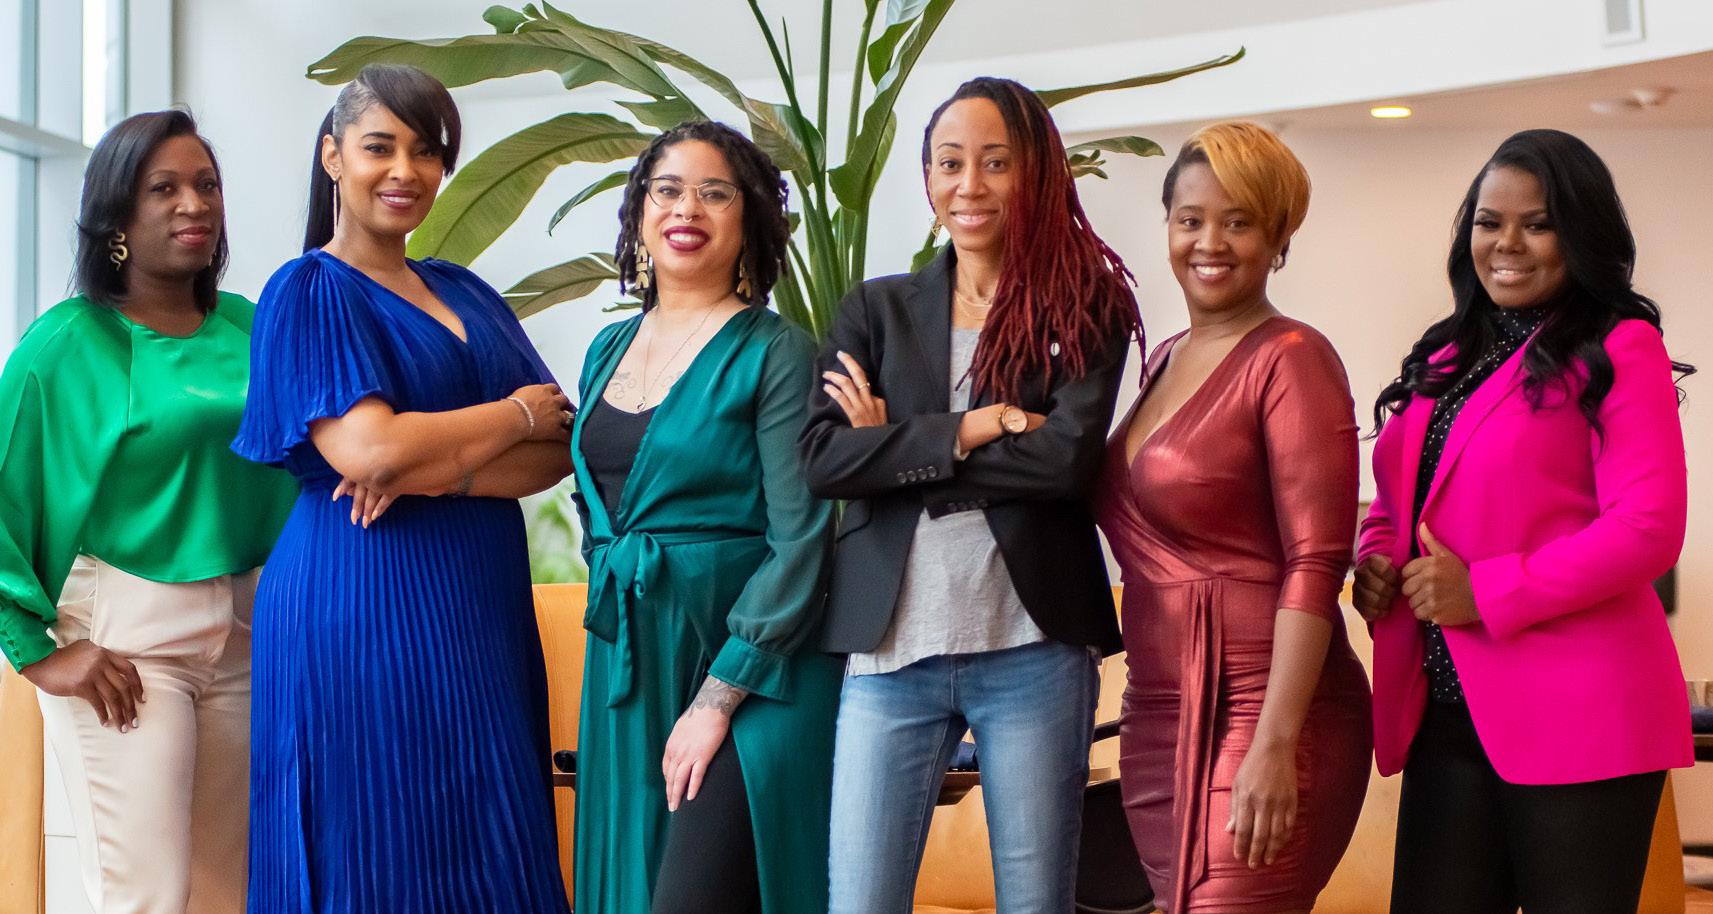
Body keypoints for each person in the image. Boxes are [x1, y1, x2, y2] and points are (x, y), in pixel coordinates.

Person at [232, 64, 574, 914]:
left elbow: (559, 449)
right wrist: (513, 415)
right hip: (356, 596)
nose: (405, 171)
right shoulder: (306, 290)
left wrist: (432, 471)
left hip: (479, 605)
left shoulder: (466, 290)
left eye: (426, 151)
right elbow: (368, 450)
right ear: (333, 157)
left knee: (492, 837)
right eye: (379, 147)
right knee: (367, 844)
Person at [800, 76, 1142, 914]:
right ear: (926, 178)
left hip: (1033, 649)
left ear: (1035, 173)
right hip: (890, 654)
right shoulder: (875, 310)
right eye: (949, 163)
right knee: (861, 902)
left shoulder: (1083, 304)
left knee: (1034, 901)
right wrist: (976, 426)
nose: (970, 185)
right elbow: (824, 459)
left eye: (995, 162)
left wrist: (898, 444)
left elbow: (1063, 465)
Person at [1356, 128, 1693, 914]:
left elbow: (1646, 528)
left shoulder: (1619, 347)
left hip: (1580, 711)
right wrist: (1376, 561)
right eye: (1488, 221)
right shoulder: (1445, 354)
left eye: (1536, 224)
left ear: (1579, 234)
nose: (1506, 244)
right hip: (1445, 710)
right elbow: (1398, 497)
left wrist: (1482, 591)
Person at [0, 109, 297, 914]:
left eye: (206, 184)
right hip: (128, 641)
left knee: (226, 894)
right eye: (163, 189)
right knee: (147, 897)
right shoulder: (67, 344)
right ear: (116, 219)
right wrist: (35, 653)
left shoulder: (253, 325)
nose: (193, 204)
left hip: (248, 634)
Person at [1093, 121, 1371, 914]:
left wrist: (1274, 742)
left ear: (1278, 237)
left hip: (1269, 709)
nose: (1208, 243)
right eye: (1190, 219)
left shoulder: (1293, 356)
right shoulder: (1162, 357)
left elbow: (1316, 562)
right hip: (1156, 710)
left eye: (1237, 221)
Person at [568, 119, 840, 914]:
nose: (686, 208)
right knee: (631, 883)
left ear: (748, 220)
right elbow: (597, 509)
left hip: (747, 663)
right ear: (639, 213)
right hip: (627, 656)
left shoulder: (777, 351)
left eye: (714, 193)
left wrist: (718, 697)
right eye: (668, 190)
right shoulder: (604, 349)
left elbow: (801, 539)